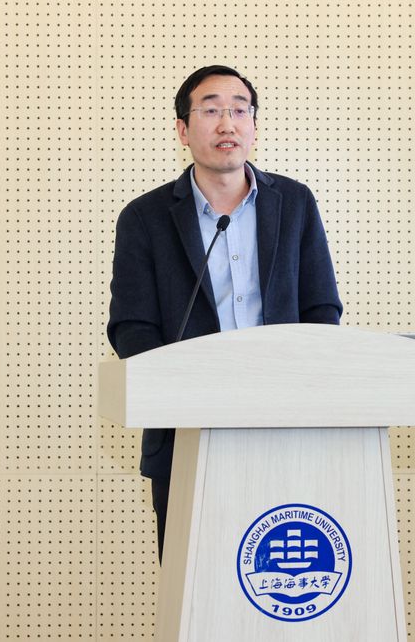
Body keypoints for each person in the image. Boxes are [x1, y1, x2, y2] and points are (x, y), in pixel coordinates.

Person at [107, 65, 343, 562]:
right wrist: (190, 384)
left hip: (285, 431)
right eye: (211, 110)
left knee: (279, 580)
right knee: (191, 585)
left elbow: (321, 308)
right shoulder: (144, 218)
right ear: (182, 129)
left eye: (239, 110)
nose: (227, 124)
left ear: (254, 126)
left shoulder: (294, 203)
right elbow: (131, 327)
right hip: (186, 435)